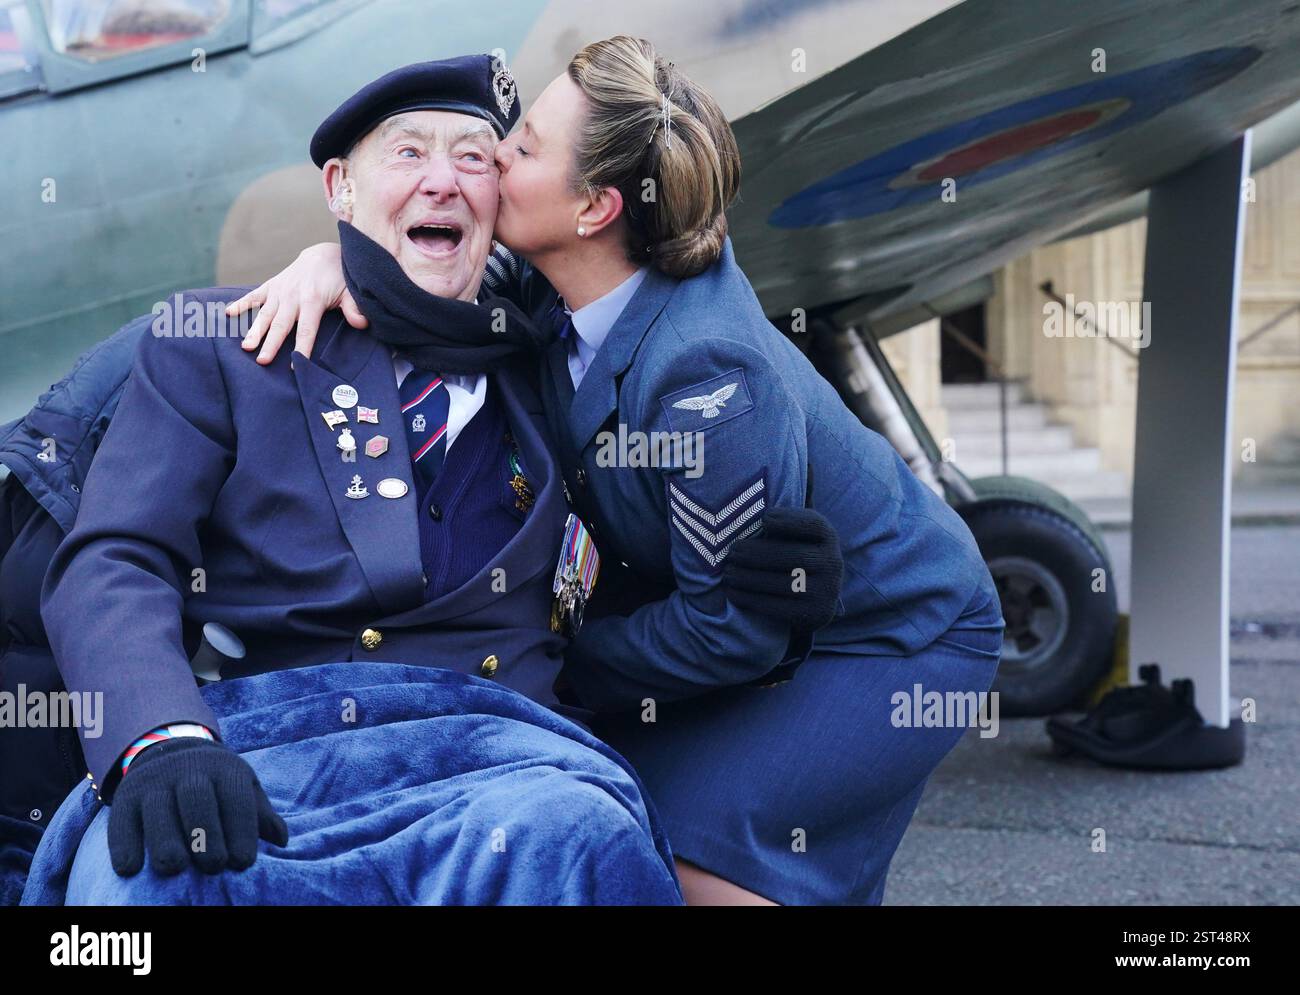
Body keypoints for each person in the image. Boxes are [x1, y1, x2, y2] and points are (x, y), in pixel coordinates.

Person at [233, 37, 1006, 906]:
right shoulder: (555, 277)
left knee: (679, 858)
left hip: (890, 632)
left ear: (596, 207)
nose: (496, 153)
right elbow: (435, 265)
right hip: (735, 630)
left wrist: (557, 664)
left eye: (523, 148)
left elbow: (732, 630)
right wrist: (331, 260)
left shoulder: (708, 378)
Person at [29, 55, 707, 905]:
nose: (443, 183)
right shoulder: (220, 346)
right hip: (269, 757)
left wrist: (757, 584)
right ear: (341, 188)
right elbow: (116, 560)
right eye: (408, 154)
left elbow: (680, 278)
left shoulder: (553, 366)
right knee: (147, 881)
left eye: (472, 158)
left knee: (584, 838)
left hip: (505, 768)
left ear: (500, 199)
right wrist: (163, 739)